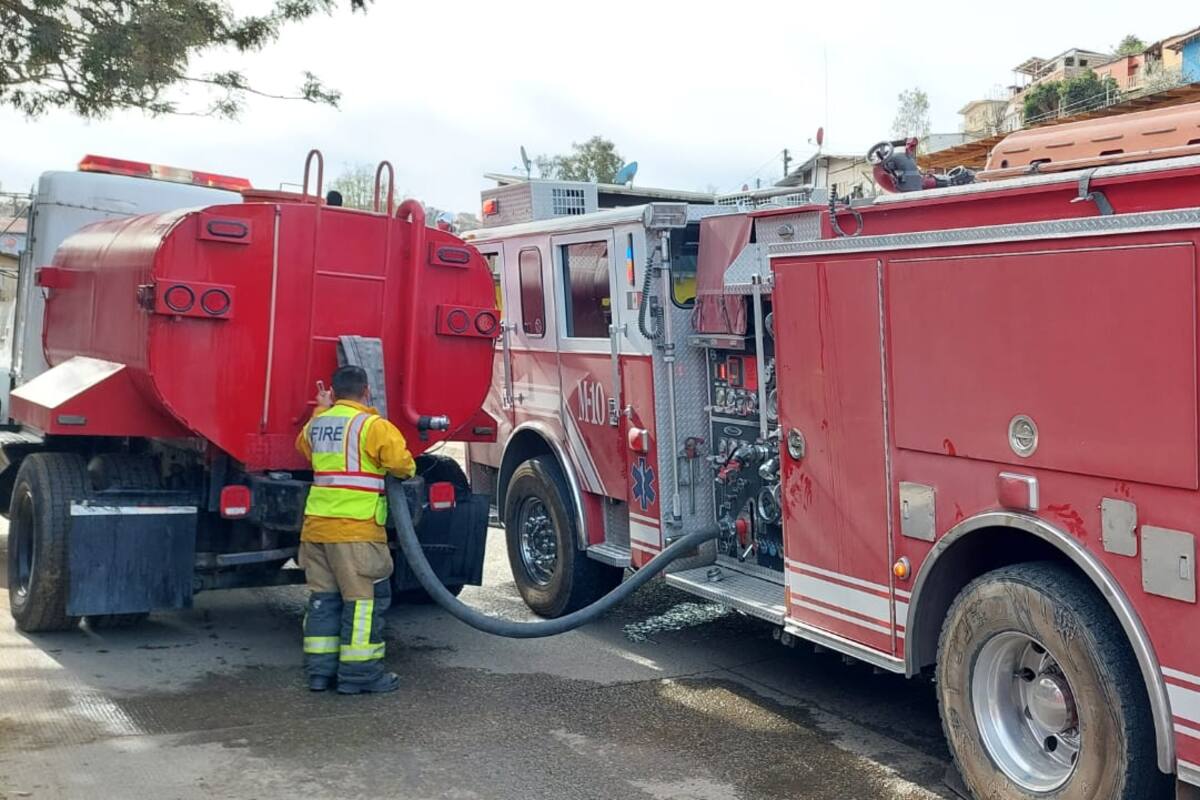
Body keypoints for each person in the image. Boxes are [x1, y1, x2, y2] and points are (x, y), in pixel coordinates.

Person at [295, 365, 416, 694]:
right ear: (366, 391)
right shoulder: (373, 426)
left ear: (333, 393)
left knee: (323, 600)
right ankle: (360, 676)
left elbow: (304, 448)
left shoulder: (318, 424)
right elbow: (402, 464)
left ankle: (319, 674)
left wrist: (321, 408)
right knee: (364, 603)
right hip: (356, 531)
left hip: (316, 530)